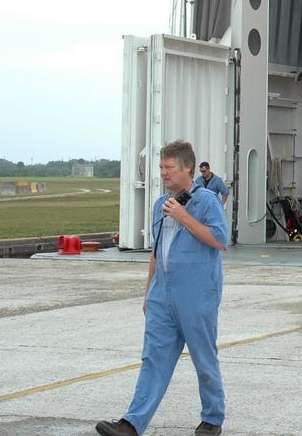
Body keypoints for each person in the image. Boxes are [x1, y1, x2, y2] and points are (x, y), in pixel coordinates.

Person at [97, 140, 228, 436]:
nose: (163, 173)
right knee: (153, 357)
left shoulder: (206, 201)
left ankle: (212, 418)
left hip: (197, 295)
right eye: (161, 167)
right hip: (162, 295)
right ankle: (132, 423)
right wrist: (149, 292)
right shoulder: (160, 204)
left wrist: (184, 217)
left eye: (169, 168)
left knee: (203, 357)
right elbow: (157, 251)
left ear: (187, 168)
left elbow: (220, 240)